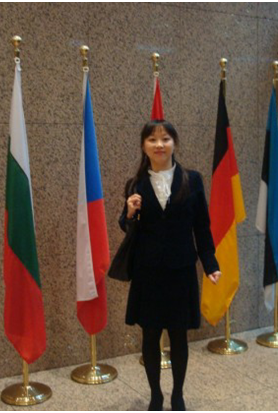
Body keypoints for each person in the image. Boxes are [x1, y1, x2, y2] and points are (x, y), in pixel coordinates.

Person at [119, 120, 221, 411]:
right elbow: (127, 227)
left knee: (179, 336)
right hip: (148, 272)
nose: (159, 145)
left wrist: (210, 263)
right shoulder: (135, 184)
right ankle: (155, 396)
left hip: (180, 271)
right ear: (144, 146)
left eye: (165, 139)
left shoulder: (193, 180)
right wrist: (129, 213)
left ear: (174, 143)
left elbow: (201, 226)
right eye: (152, 139)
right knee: (150, 335)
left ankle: (177, 395)